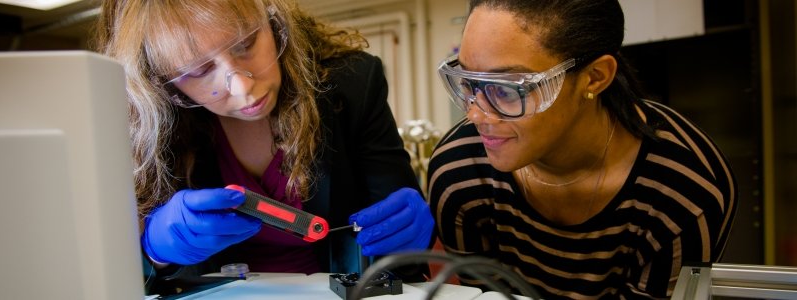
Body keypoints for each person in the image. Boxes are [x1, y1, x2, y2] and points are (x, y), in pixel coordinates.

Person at [93, 0, 434, 295]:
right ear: (159, 83)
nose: (242, 86)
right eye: (200, 70)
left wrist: (411, 239)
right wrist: (155, 254)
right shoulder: (141, 124)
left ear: (273, 23)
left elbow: (405, 255)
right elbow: (109, 278)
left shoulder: (353, 84)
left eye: (246, 44)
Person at [427, 0, 738, 298]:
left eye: (507, 90)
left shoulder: (684, 190)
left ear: (594, 78)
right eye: (468, 82)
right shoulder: (460, 171)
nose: (476, 115)